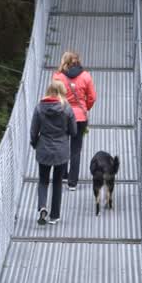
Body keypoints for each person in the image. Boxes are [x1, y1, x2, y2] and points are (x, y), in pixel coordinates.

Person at [30, 79, 76, 225]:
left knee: (43, 181)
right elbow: (74, 131)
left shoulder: (39, 108)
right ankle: (54, 216)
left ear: (49, 91)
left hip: (43, 149)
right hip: (61, 151)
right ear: (62, 91)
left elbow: (33, 131)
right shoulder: (67, 109)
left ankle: (42, 207)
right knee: (57, 182)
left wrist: (34, 143)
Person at [52, 51, 96, 191]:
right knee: (76, 149)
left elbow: (53, 96)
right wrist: (85, 108)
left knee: (62, 145)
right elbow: (92, 97)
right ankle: (72, 183)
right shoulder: (86, 76)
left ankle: (63, 175)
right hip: (80, 118)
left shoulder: (57, 77)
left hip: (63, 115)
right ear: (77, 61)